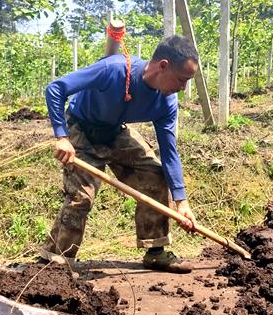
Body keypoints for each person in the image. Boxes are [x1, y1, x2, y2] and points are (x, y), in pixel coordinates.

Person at [41, 34, 198, 274]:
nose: (183, 87)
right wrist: (62, 138)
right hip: (81, 129)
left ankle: (156, 251)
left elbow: (169, 150)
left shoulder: (167, 102)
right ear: (163, 66)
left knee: (155, 175)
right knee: (82, 197)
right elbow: (56, 89)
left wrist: (181, 201)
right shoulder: (113, 70)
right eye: (181, 79)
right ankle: (55, 262)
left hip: (115, 132)